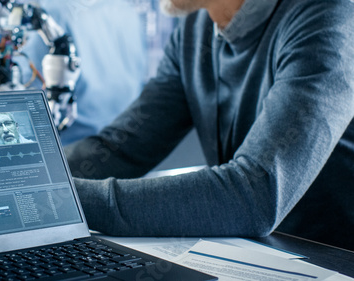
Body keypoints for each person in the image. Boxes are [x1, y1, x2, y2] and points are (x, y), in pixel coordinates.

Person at [64, 0, 354, 251]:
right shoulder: (197, 29)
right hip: (257, 254)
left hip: (332, 262)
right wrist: (34, 178)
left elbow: (253, 196)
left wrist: (61, 202)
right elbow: (121, 148)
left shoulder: (330, 22)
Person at [19, 0, 147, 145]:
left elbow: (26, 103)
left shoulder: (47, 13)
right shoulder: (124, 7)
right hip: (125, 141)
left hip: (73, 150)